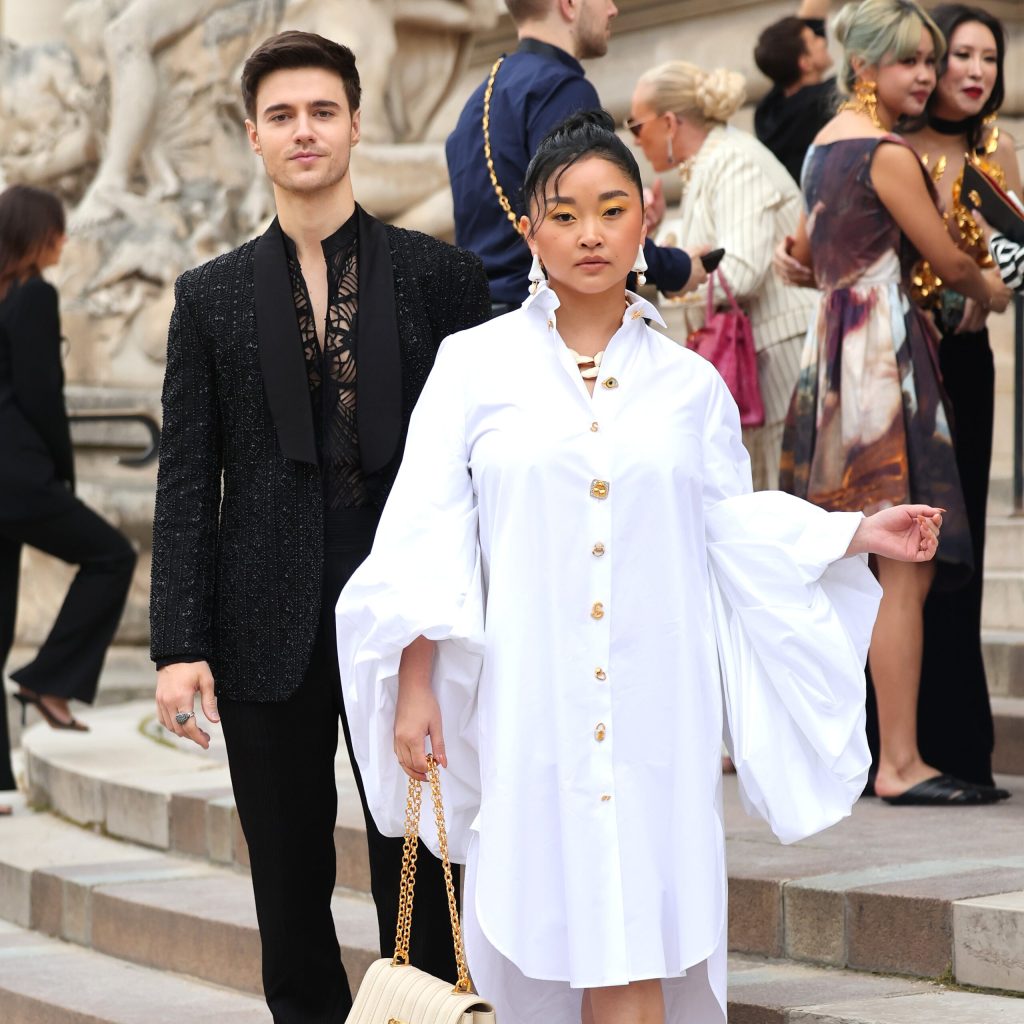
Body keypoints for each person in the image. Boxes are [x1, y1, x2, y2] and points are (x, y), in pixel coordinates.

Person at [335, 109, 944, 1024]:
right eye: (565, 214)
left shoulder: (689, 384)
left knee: (638, 941)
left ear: (646, 218)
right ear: (529, 230)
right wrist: (415, 681)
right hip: (530, 702)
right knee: (534, 938)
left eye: (611, 210)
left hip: (657, 708)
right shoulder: (473, 367)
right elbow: (429, 531)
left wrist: (852, 534)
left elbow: (726, 527)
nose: (590, 233)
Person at [149, 31, 490, 1023]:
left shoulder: (441, 278)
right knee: (286, 878)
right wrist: (178, 644)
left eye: (322, 111)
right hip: (261, 619)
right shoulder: (207, 297)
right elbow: (187, 476)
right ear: (253, 135)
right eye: (283, 115)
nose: (304, 131)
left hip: (405, 616)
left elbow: (478, 468)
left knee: (420, 861)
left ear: (355, 124)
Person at [776, 0, 1012, 804]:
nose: (926, 75)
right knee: (905, 561)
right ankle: (901, 762)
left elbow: (801, 253)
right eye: (910, 60)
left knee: (859, 558)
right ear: (865, 65)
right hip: (883, 354)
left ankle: (871, 751)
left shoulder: (822, 142)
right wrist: (994, 290)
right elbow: (949, 259)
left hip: (832, 354)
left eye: (929, 60)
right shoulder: (885, 151)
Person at [900, 4, 1020, 790]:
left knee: (962, 550)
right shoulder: (893, 145)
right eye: (962, 55)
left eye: (990, 58)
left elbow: (1017, 259)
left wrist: (991, 283)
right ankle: (897, 743)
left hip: (968, 362)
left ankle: (958, 747)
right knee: (907, 549)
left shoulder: (996, 150)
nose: (976, 71)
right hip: (901, 367)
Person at [0, 185, 137, 807]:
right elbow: (40, 397)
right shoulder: (35, 295)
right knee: (112, 556)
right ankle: (48, 680)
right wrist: (62, 475)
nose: (64, 239)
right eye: (57, 229)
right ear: (38, 235)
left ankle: (1, 778)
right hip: (18, 476)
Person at [628, 61, 817, 490]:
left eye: (636, 126)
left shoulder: (733, 160)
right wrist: (658, 239)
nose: (635, 141)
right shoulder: (712, 161)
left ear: (669, 122)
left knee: (789, 494)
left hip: (778, 351)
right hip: (758, 353)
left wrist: (677, 279)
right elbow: (708, 251)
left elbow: (741, 271)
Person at [446, 0, 697, 313]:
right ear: (569, 5)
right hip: (550, 321)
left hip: (485, 322)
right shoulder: (562, 90)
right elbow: (586, 230)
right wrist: (681, 268)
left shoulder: (476, 101)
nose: (613, 9)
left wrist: (627, 215)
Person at [754, 0, 837, 184]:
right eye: (814, 39)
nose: (823, 41)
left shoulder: (767, 111)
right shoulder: (824, 101)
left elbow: (812, 11)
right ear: (805, 63)